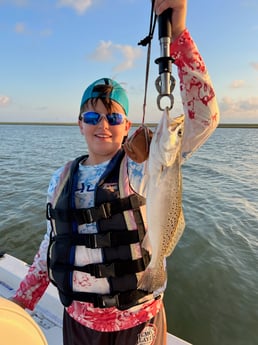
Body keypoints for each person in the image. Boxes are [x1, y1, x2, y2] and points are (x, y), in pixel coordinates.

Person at [11, 0, 220, 344]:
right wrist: (22, 301)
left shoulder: (140, 166)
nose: (102, 125)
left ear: (127, 125)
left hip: (138, 321)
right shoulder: (62, 178)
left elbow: (205, 119)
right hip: (77, 322)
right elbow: (51, 244)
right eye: (92, 117)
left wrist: (179, 35)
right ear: (79, 124)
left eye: (113, 117)